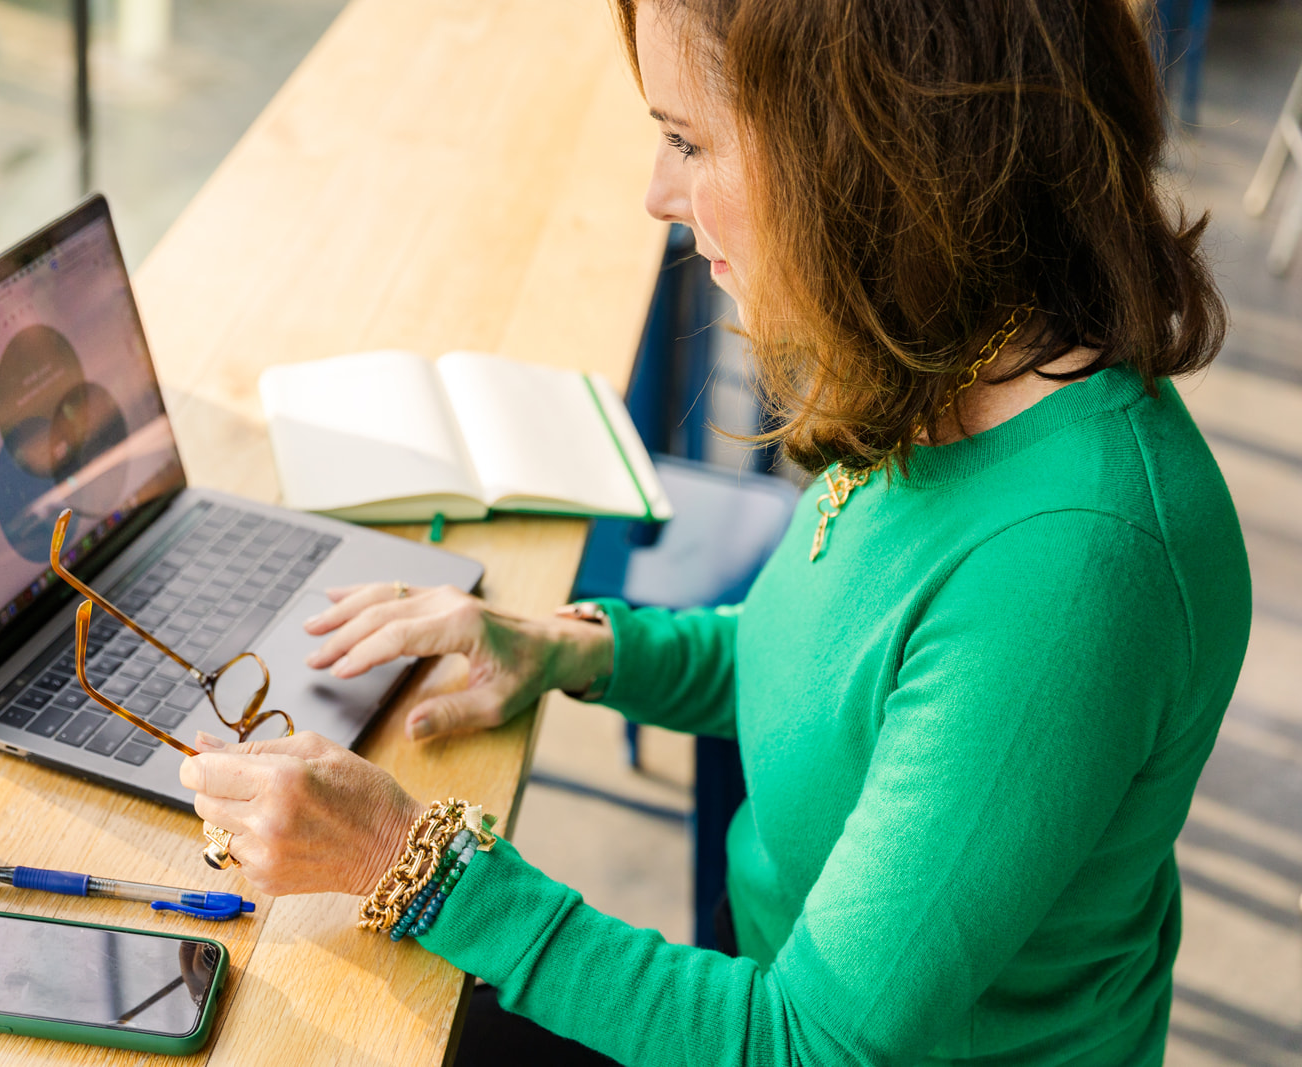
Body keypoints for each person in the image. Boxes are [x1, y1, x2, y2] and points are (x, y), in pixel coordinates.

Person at [177, 0, 1251, 1062]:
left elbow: (810, 1043)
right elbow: (835, 673)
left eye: (687, 140)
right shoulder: (962, 365)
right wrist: (575, 646)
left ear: (868, 154)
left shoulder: (1071, 571)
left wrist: (403, 855)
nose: (656, 193)